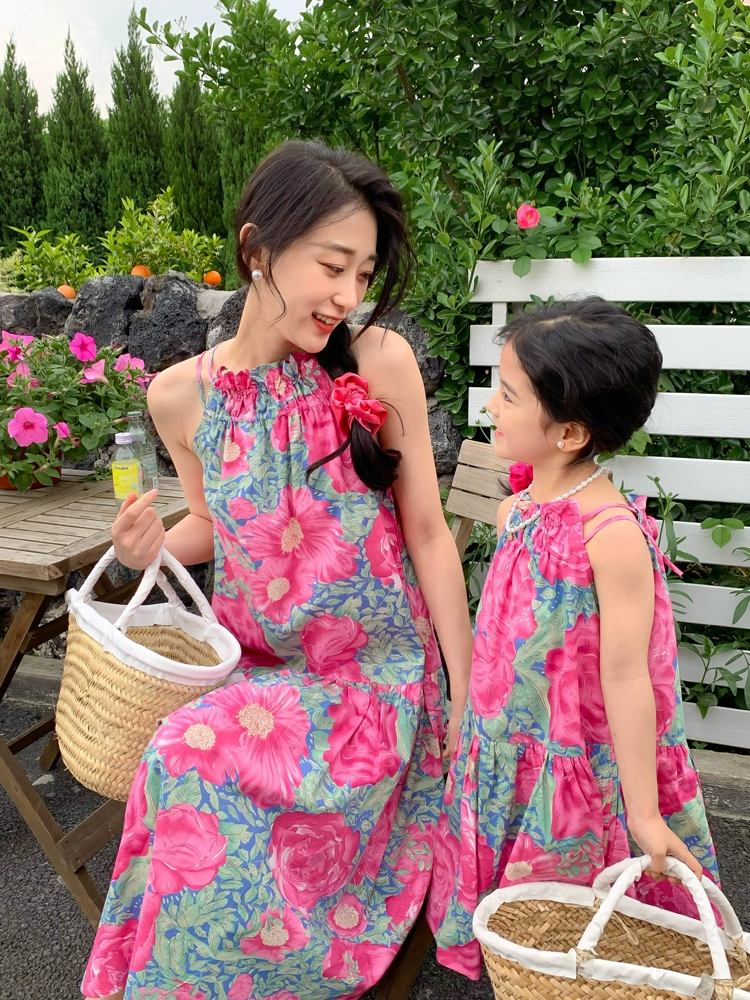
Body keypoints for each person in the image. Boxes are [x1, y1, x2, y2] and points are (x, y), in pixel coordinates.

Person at [81, 140, 473, 1000]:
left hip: (371, 685)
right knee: (185, 762)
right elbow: (211, 523)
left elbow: (428, 534)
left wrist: (466, 690)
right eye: (333, 266)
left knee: (185, 756)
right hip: (258, 674)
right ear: (258, 250)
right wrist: (148, 548)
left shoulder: (378, 362)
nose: (349, 295)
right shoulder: (179, 395)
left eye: (363, 273)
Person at [426, 297, 719, 979]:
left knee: (568, 931)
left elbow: (627, 675)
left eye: (508, 395)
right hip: (506, 735)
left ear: (570, 432)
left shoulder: (609, 535)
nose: (490, 406)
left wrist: (644, 813)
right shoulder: (523, 507)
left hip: (567, 757)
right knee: (516, 921)